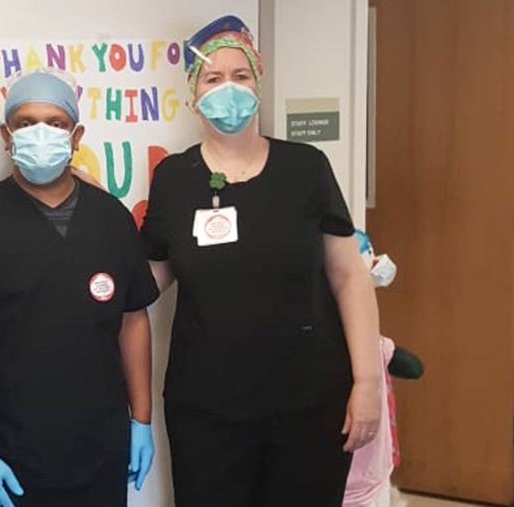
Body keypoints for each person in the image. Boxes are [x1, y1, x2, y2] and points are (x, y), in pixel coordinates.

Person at [139, 16, 382, 507]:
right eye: (213, 78)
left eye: (241, 75)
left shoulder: (306, 167)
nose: (228, 88)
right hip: (206, 410)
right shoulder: (174, 178)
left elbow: (348, 276)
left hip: (311, 402)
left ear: (259, 83)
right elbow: (147, 282)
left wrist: (368, 382)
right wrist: (93, 236)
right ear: (193, 93)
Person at [0, 70, 159, 507]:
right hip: (10, 451)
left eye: (55, 123)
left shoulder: (112, 218)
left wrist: (141, 420)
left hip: (101, 444)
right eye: (26, 122)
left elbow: (133, 321)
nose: (41, 133)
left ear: (76, 137)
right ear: (6, 135)